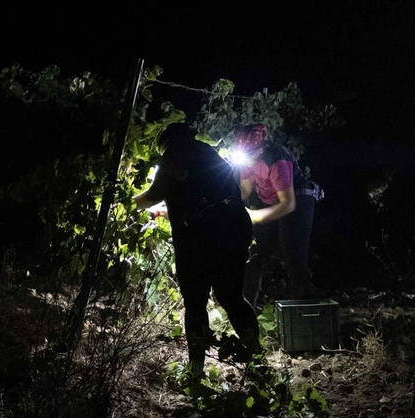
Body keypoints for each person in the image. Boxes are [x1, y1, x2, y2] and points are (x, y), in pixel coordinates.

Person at [134, 122, 260, 378]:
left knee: (195, 302)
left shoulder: (174, 156)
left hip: (198, 240)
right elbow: (205, 197)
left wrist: (123, 202)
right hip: (233, 232)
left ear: (166, 143)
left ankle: (196, 371)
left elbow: (155, 193)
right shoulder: (209, 154)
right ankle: (256, 359)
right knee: (232, 296)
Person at [229, 123, 321, 307]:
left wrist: (254, 216)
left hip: (297, 200)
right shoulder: (244, 157)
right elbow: (245, 191)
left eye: (250, 156)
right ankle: (246, 312)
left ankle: (303, 310)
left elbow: (288, 204)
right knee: (253, 253)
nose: (247, 161)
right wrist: (226, 201)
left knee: (293, 255)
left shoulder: (276, 157)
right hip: (272, 203)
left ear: (260, 149)